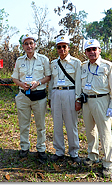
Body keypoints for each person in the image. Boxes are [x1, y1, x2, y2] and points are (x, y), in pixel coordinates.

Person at [80, 39, 112, 177]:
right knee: (90, 131)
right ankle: (92, 155)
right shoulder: (83, 66)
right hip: (87, 102)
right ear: (85, 52)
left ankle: (108, 162)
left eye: (94, 49)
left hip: (102, 101)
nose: (92, 52)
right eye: (88, 50)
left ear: (99, 50)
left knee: (105, 133)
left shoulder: (108, 66)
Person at [12, 34, 51, 162]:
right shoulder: (19, 61)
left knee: (40, 125)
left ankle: (41, 148)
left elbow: (48, 76)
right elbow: (14, 78)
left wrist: (38, 83)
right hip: (23, 96)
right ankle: (24, 147)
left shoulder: (43, 59)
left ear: (35, 45)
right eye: (26, 44)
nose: (29, 46)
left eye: (31, 43)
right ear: (23, 46)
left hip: (39, 97)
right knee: (24, 124)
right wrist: (21, 84)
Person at [48, 35, 81, 164]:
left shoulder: (76, 63)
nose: (62, 49)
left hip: (70, 93)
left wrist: (78, 99)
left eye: (64, 46)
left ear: (68, 47)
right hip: (57, 93)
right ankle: (59, 151)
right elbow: (51, 82)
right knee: (57, 124)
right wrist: (50, 97)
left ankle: (74, 152)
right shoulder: (53, 63)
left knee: (71, 124)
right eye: (59, 47)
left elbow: (78, 82)